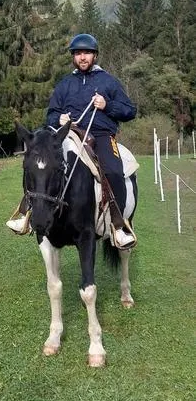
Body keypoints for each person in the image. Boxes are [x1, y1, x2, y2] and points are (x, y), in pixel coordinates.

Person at [7, 34, 137, 247]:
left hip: (101, 136)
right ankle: (26, 215)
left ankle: (118, 225)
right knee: (41, 166)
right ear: (73, 57)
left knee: (113, 170)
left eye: (86, 53)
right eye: (78, 53)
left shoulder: (108, 82)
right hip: (68, 134)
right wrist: (58, 118)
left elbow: (130, 111)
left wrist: (107, 105)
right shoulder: (65, 84)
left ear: (94, 55)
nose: (82, 57)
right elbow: (51, 114)